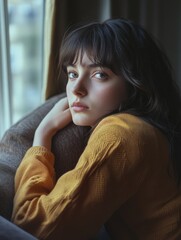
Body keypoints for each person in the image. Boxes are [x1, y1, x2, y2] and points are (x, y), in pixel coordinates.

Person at [11, 18, 181, 240]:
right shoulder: (149, 127)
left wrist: (42, 136)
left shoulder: (120, 135)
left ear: (135, 83)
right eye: (72, 73)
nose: (76, 89)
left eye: (99, 74)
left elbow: (33, 227)